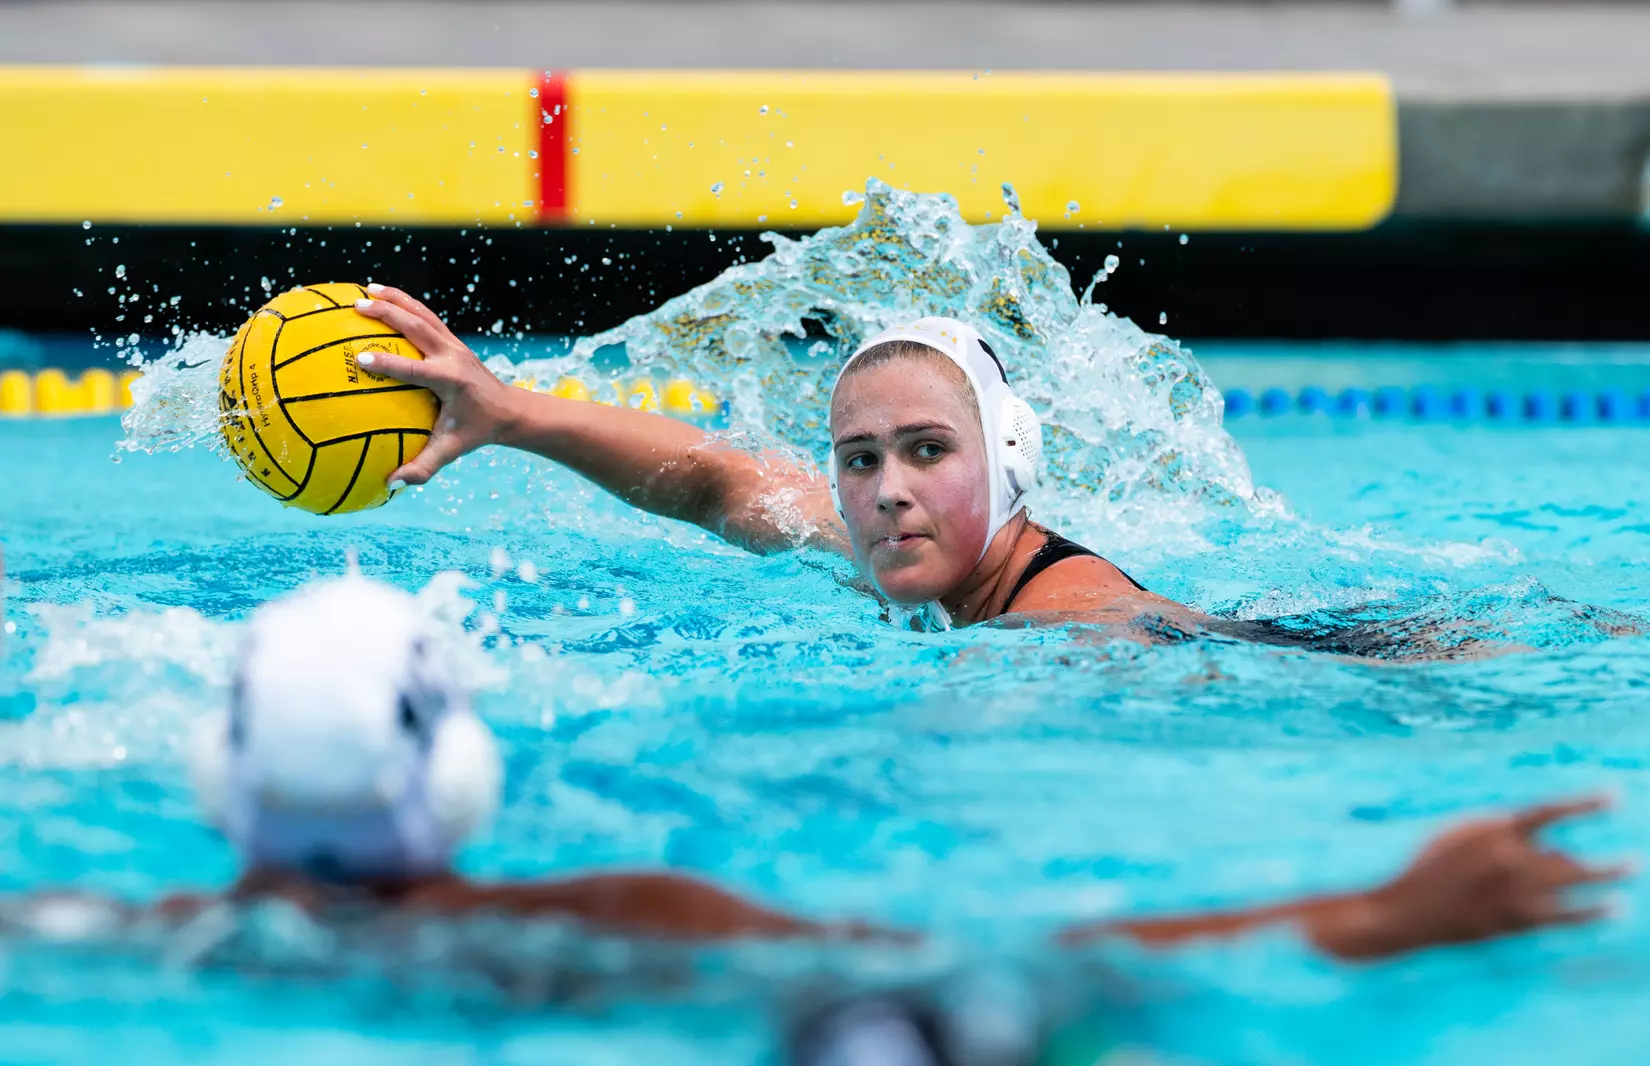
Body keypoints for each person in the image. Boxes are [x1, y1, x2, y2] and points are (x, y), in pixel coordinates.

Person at [15, 576, 1626, 963]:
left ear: (217, 778)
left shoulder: (108, 929)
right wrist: (1371, 909)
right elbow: (982, 969)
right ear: (459, 777)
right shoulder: (616, 927)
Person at [348, 288, 1557, 656]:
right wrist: (505, 412)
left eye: (928, 452)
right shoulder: (891, 548)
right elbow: (718, 479)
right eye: (860, 460)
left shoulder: (1078, 619)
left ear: (1010, 462)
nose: (886, 489)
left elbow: (1237, 655)